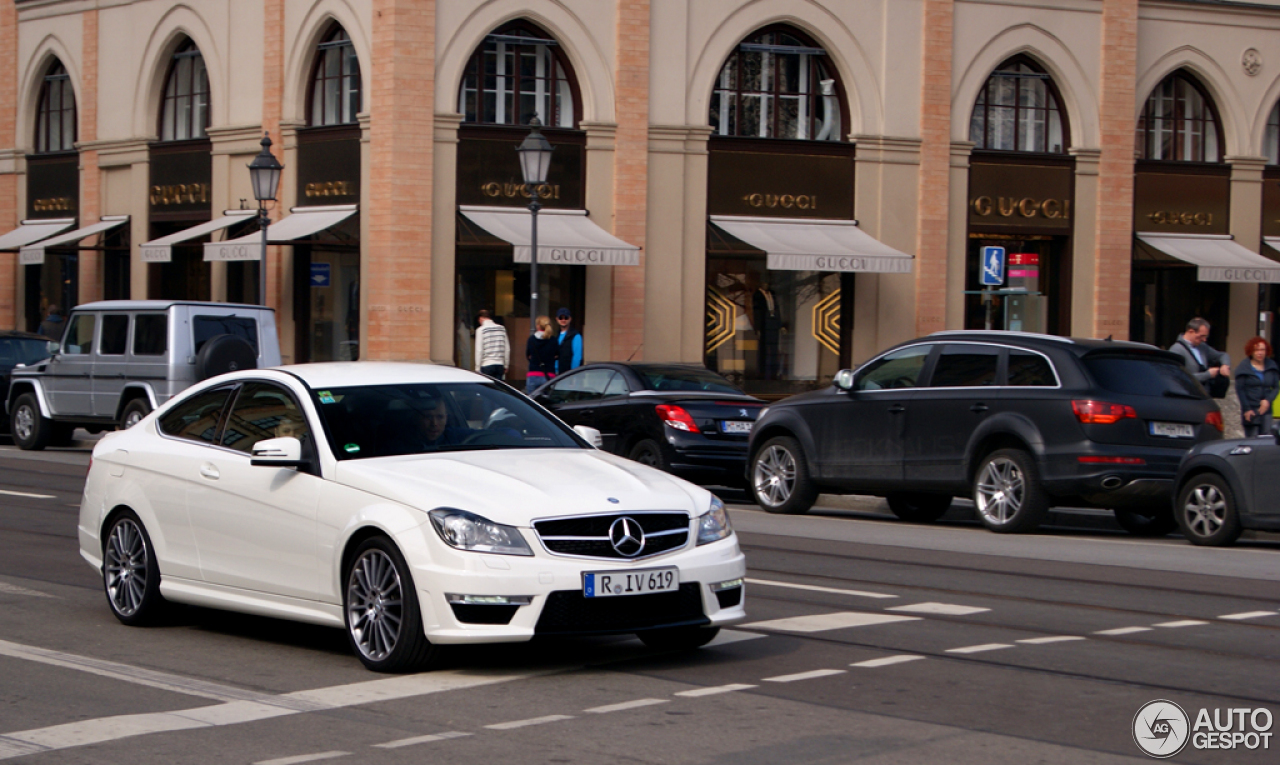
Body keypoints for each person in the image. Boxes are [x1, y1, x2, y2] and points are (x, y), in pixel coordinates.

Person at [1168, 318, 1231, 396]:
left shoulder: (1202, 347)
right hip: (1188, 395)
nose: (1204, 339)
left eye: (1206, 336)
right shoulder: (1177, 349)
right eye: (1202, 336)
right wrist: (1207, 374)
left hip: (1204, 394)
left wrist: (1225, 365)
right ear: (1191, 332)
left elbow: (1222, 355)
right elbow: (1179, 377)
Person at [1234, 336, 1279, 437]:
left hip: (1266, 410)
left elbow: (1276, 387)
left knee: (1266, 439)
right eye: (1256, 350)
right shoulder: (1244, 367)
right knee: (1252, 441)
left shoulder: (1271, 365)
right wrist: (1246, 409)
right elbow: (1240, 389)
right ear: (1251, 351)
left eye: (1262, 349)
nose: (1260, 353)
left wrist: (1268, 400)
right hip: (1251, 409)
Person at [525, 315, 558, 393]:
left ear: (538, 326)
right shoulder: (553, 340)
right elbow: (557, 355)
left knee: (531, 403)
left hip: (533, 374)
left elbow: (528, 356)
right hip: (549, 375)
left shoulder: (531, 339)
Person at [474, 309, 510, 380]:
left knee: (487, 389)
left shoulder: (481, 330)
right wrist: (506, 365)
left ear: (481, 318)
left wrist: (477, 368)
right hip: (500, 364)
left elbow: (479, 350)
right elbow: (507, 349)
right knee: (498, 388)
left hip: (486, 364)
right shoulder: (501, 328)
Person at [555, 307, 582, 374]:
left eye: (566, 318)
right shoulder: (556, 336)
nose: (563, 320)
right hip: (556, 374)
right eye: (561, 318)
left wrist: (572, 374)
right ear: (557, 319)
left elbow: (577, 357)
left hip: (568, 375)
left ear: (570, 319)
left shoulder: (575, 335)